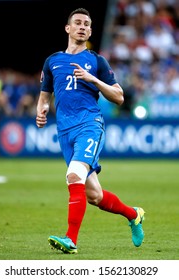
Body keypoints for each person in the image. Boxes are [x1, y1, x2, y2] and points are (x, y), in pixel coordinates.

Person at [36, 8, 145, 254]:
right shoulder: (52, 61)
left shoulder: (97, 61)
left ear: (91, 30)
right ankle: (134, 215)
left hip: (89, 124)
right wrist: (41, 111)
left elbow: (119, 96)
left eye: (87, 24)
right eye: (78, 23)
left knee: (74, 174)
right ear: (68, 28)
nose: (83, 27)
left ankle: (70, 240)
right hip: (65, 132)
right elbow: (44, 97)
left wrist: (92, 79)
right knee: (94, 195)